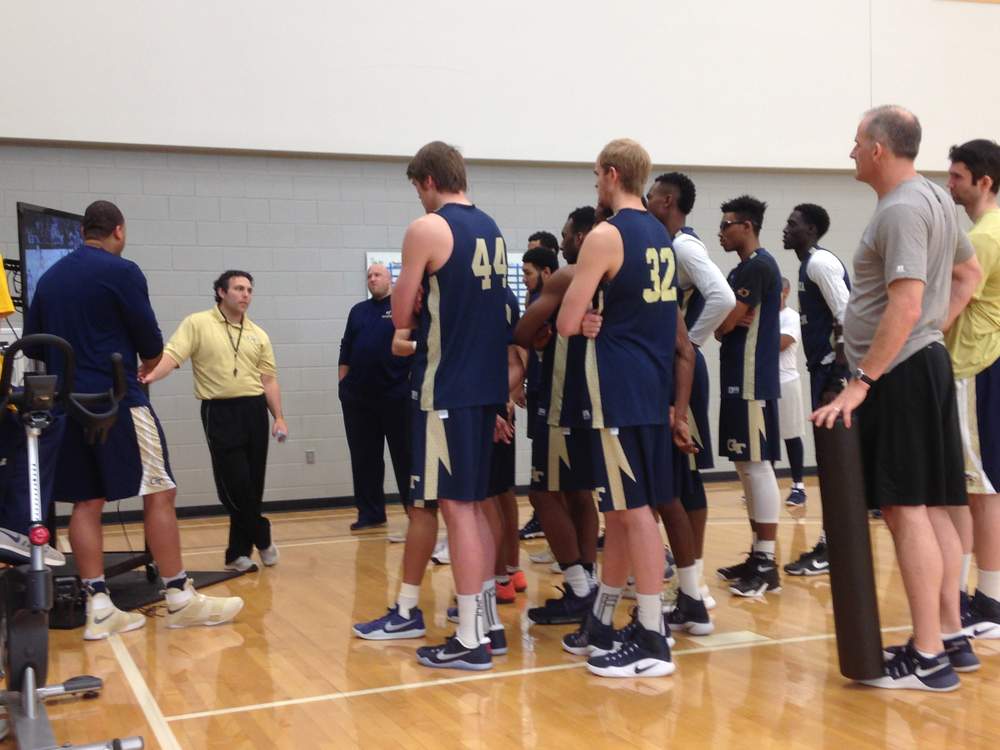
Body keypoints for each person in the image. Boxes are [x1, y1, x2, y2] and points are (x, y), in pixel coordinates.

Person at [814, 105, 982, 690]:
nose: (852, 152)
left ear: (880, 149)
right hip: (922, 362)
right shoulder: (935, 198)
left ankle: (929, 656)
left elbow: (907, 304)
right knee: (930, 507)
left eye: (857, 143)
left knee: (907, 510)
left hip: (901, 373)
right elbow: (969, 277)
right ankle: (950, 636)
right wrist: (933, 330)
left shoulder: (905, 208)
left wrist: (862, 382)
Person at [23, 200, 243, 640]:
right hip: (119, 400)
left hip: (68, 405)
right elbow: (151, 344)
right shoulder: (123, 272)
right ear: (118, 231)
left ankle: (99, 603)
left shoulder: (49, 278)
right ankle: (180, 595)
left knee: (86, 501)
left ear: (83, 231)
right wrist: (146, 363)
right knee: (160, 488)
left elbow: (32, 346)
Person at [369, 141, 518, 671]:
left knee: (454, 509)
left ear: (428, 180)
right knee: (473, 506)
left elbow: (402, 306)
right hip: (483, 386)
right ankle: (489, 628)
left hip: (446, 387)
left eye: (417, 187)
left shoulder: (428, 228)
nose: (419, 197)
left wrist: (403, 334)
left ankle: (472, 639)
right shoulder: (493, 228)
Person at [557, 138, 696, 678]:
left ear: (613, 174)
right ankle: (605, 616)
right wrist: (600, 315)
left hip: (616, 387)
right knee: (619, 511)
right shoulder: (661, 237)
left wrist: (589, 318)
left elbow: (567, 322)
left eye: (596, 174)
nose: (595, 182)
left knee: (634, 513)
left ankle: (654, 634)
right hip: (649, 381)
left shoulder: (606, 235)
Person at [139, 270, 286, 572]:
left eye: (249, 290)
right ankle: (262, 534)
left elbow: (269, 380)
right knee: (233, 485)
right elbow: (173, 355)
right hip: (219, 411)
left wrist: (279, 417)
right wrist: (152, 374)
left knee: (252, 483)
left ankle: (236, 554)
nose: (245, 295)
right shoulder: (198, 323)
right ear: (221, 292)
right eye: (238, 289)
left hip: (254, 411)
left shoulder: (258, 334)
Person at [647, 171, 736, 614]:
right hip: (673, 365)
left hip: (682, 368)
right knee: (675, 478)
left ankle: (694, 583)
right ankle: (686, 581)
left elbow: (721, 296)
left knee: (685, 476)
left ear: (665, 201)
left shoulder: (683, 244)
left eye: (649, 195)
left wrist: (692, 343)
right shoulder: (664, 243)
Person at [514, 206, 602, 625]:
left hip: (562, 401)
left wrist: (539, 329)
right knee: (579, 493)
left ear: (583, 237)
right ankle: (587, 579)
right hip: (592, 400)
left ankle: (581, 588)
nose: (561, 241)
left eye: (567, 235)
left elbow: (521, 331)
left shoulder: (570, 277)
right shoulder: (612, 277)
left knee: (543, 494)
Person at [943, 138, 1000, 640]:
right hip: (984, 364)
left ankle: (989, 600)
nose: (950, 183)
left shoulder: (984, 237)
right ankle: (973, 595)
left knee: (981, 488)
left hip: (974, 365)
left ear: (983, 181)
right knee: (975, 488)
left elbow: (951, 306)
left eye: (958, 176)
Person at [714, 195, 784, 597]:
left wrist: (727, 323)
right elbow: (724, 326)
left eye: (727, 225)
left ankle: (766, 562)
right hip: (737, 375)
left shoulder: (759, 266)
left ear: (747, 226)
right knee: (744, 464)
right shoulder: (742, 268)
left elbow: (724, 322)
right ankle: (757, 552)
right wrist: (727, 324)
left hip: (754, 379)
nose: (722, 232)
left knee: (757, 466)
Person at [781, 202, 851, 575]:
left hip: (832, 373)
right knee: (829, 463)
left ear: (810, 230)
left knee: (836, 463)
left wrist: (840, 374)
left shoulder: (820, 263)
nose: (786, 228)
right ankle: (832, 542)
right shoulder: (807, 264)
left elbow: (847, 314)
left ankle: (833, 545)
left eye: (792, 224)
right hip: (822, 369)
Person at [337, 263, 411, 531]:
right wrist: (342, 385)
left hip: (395, 396)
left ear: (389, 279)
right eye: (369, 275)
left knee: (405, 457)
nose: (372, 279)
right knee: (364, 458)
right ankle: (371, 513)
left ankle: (414, 512)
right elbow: (346, 349)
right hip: (359, 399)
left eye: (377, 274)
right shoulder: (358, 311)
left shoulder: (402, 308)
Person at [518, 246, 560, 542]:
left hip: (559, 397)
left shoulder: (558, 300)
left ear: (547, 272)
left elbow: (522, 336)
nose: (524, 279)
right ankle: (550, 529)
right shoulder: (534, 299)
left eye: (528, 273)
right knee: (542, 477)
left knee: (554, 484)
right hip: (538, 390)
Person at [777, 278, 807, 510]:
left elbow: (783, 342)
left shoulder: (791, 317)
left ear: (785, 292)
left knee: (791, 435)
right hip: (765, 383)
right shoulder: (764, 316)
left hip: (787, 381)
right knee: (765, 436)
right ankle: (764, 484)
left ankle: (798, 486)